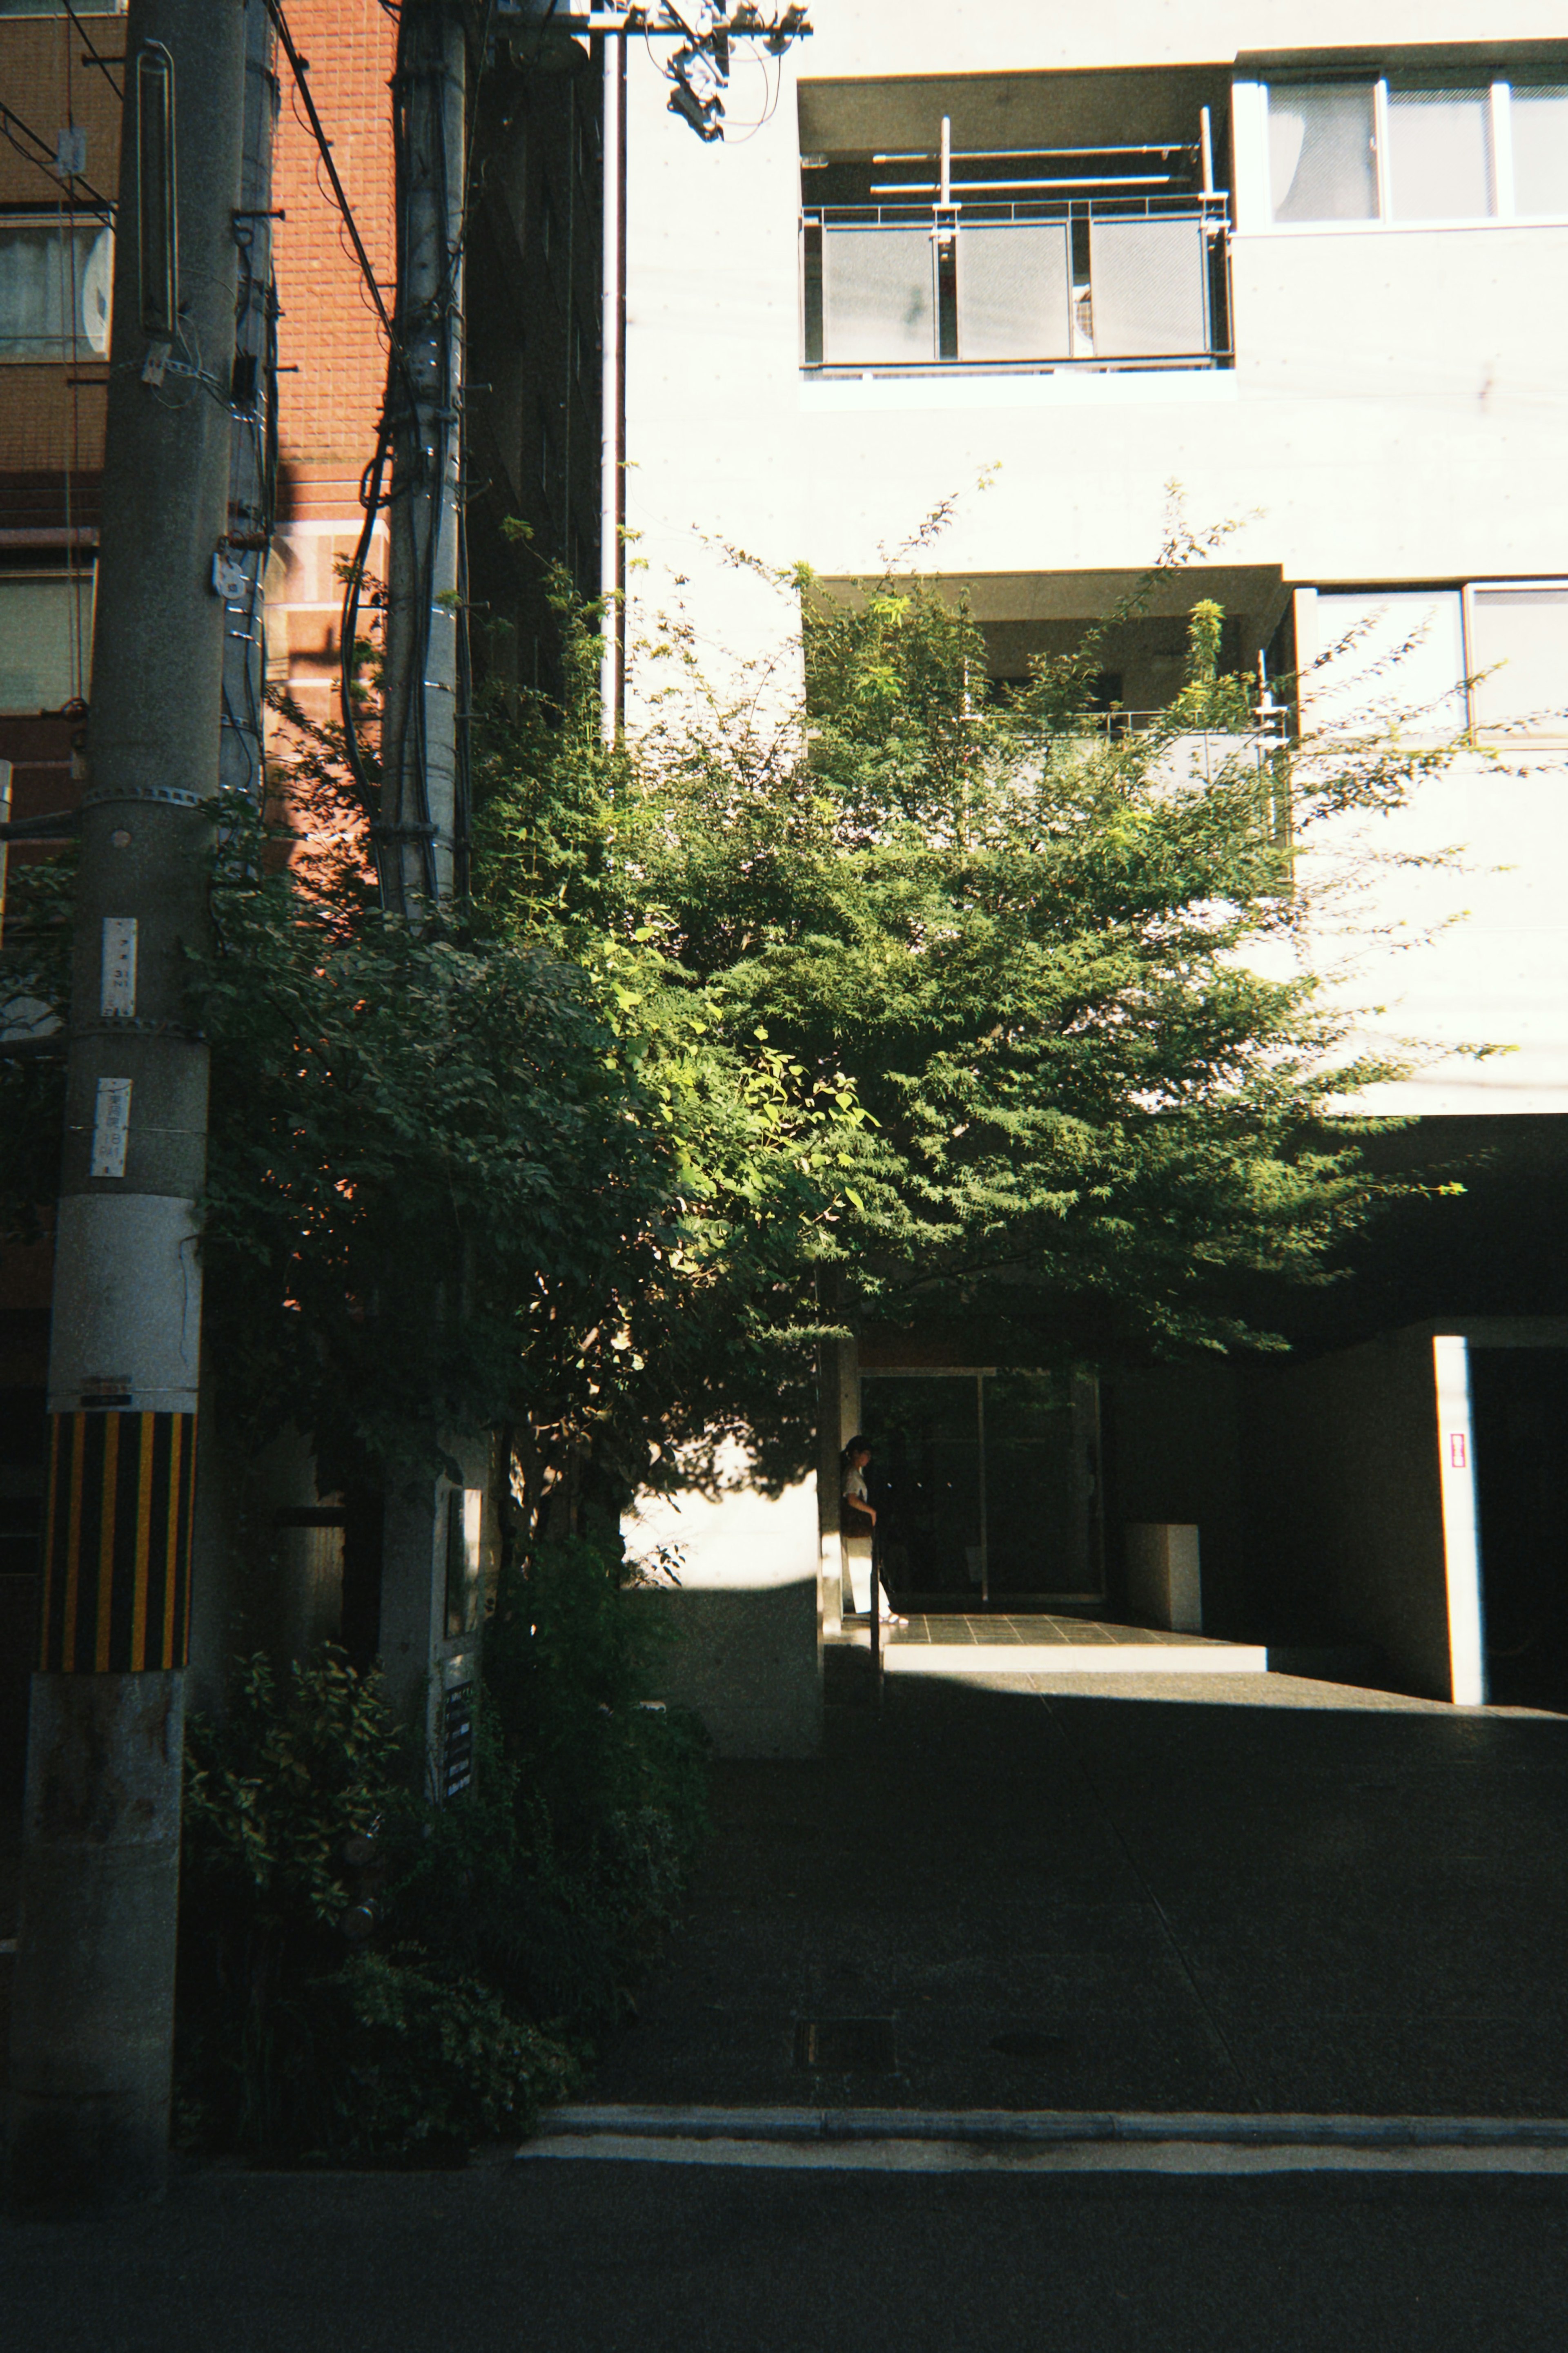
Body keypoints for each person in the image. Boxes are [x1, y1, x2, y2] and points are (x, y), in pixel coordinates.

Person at [840, 1436, 906, 1627]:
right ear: (856, 1454)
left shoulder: (854, 1474)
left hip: (857, 1530)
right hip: (857, 1530)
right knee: (866, 1568)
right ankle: (882, 1610)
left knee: (865, 1568)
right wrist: (871, 1512)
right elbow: (852, 1499)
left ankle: (879, 1609)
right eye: (866, 1454)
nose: (868, 1458)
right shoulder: (852, 1475)